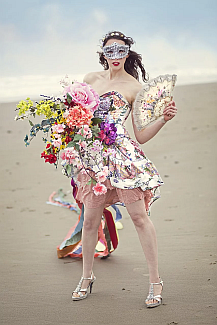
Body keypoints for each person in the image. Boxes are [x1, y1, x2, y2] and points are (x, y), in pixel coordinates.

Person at [71, 31, 178, 308]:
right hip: (94, 158)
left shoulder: (134, 87)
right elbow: (78, 117)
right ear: (103, 53)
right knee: (91, 220)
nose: (116, 55)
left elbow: (140, 136)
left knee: (139, 218)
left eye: (121, 51)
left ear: (127, 53)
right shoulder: (89, 80)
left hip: (122, 157)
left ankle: (155, 281)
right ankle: (86, 277)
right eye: (111, 50)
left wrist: (163, 120)